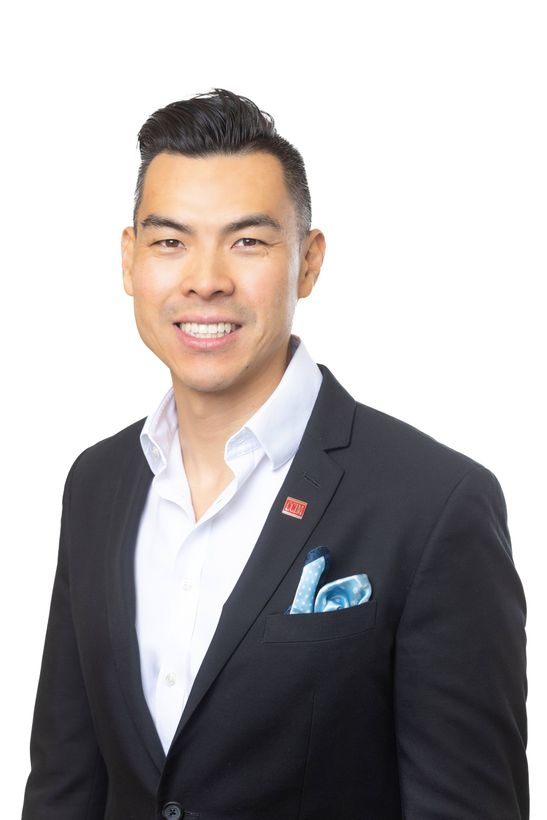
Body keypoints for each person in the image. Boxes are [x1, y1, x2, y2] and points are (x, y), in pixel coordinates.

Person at [21, 88, 528, 820]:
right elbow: (66, 786)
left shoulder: (433, 505)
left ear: (309, 262)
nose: (205, 278)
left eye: (248, 241)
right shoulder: (97, 483)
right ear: (129, 261)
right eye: (170, 241)